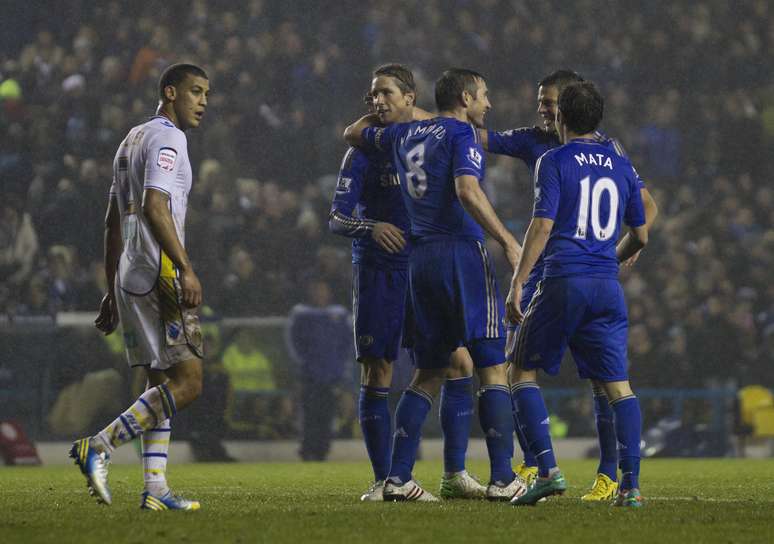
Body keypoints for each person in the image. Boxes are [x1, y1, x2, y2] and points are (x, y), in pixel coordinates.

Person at [345, 68, 526, 502]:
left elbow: (353, 133)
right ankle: (503, 478)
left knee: (429, 371)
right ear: (465, 98)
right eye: (484, 96)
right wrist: (506, 240)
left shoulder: (404, 136)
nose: (488, 104)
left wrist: (408, 114)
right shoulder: (462, 135)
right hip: (460, 252)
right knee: (492, 365)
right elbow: (467, 190)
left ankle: (398, 477)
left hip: (418, 260)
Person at [480, 69, 658, 501]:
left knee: (517, 369)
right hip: (606, 284)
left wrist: (518, 282)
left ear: (562, 116)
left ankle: (545, 468)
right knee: (618, 386)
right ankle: (630, 488)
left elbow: (541, 226)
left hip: (562, 279)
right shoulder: (617, 160)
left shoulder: (553, 160)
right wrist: (609, 258)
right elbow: (643, 233)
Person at [69, 63, 210, 511]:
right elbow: (155, 205)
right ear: (170, 92)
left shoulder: (130, 140)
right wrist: (185, 267)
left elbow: (112, 222)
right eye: (195, 91)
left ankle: (155, 488)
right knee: (189, 383)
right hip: (161, 273)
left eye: (206, 93)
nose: (203, 101)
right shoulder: (170, 138)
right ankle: (100, 445)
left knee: (159, 382)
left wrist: (111, 286)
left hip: (130, 275)